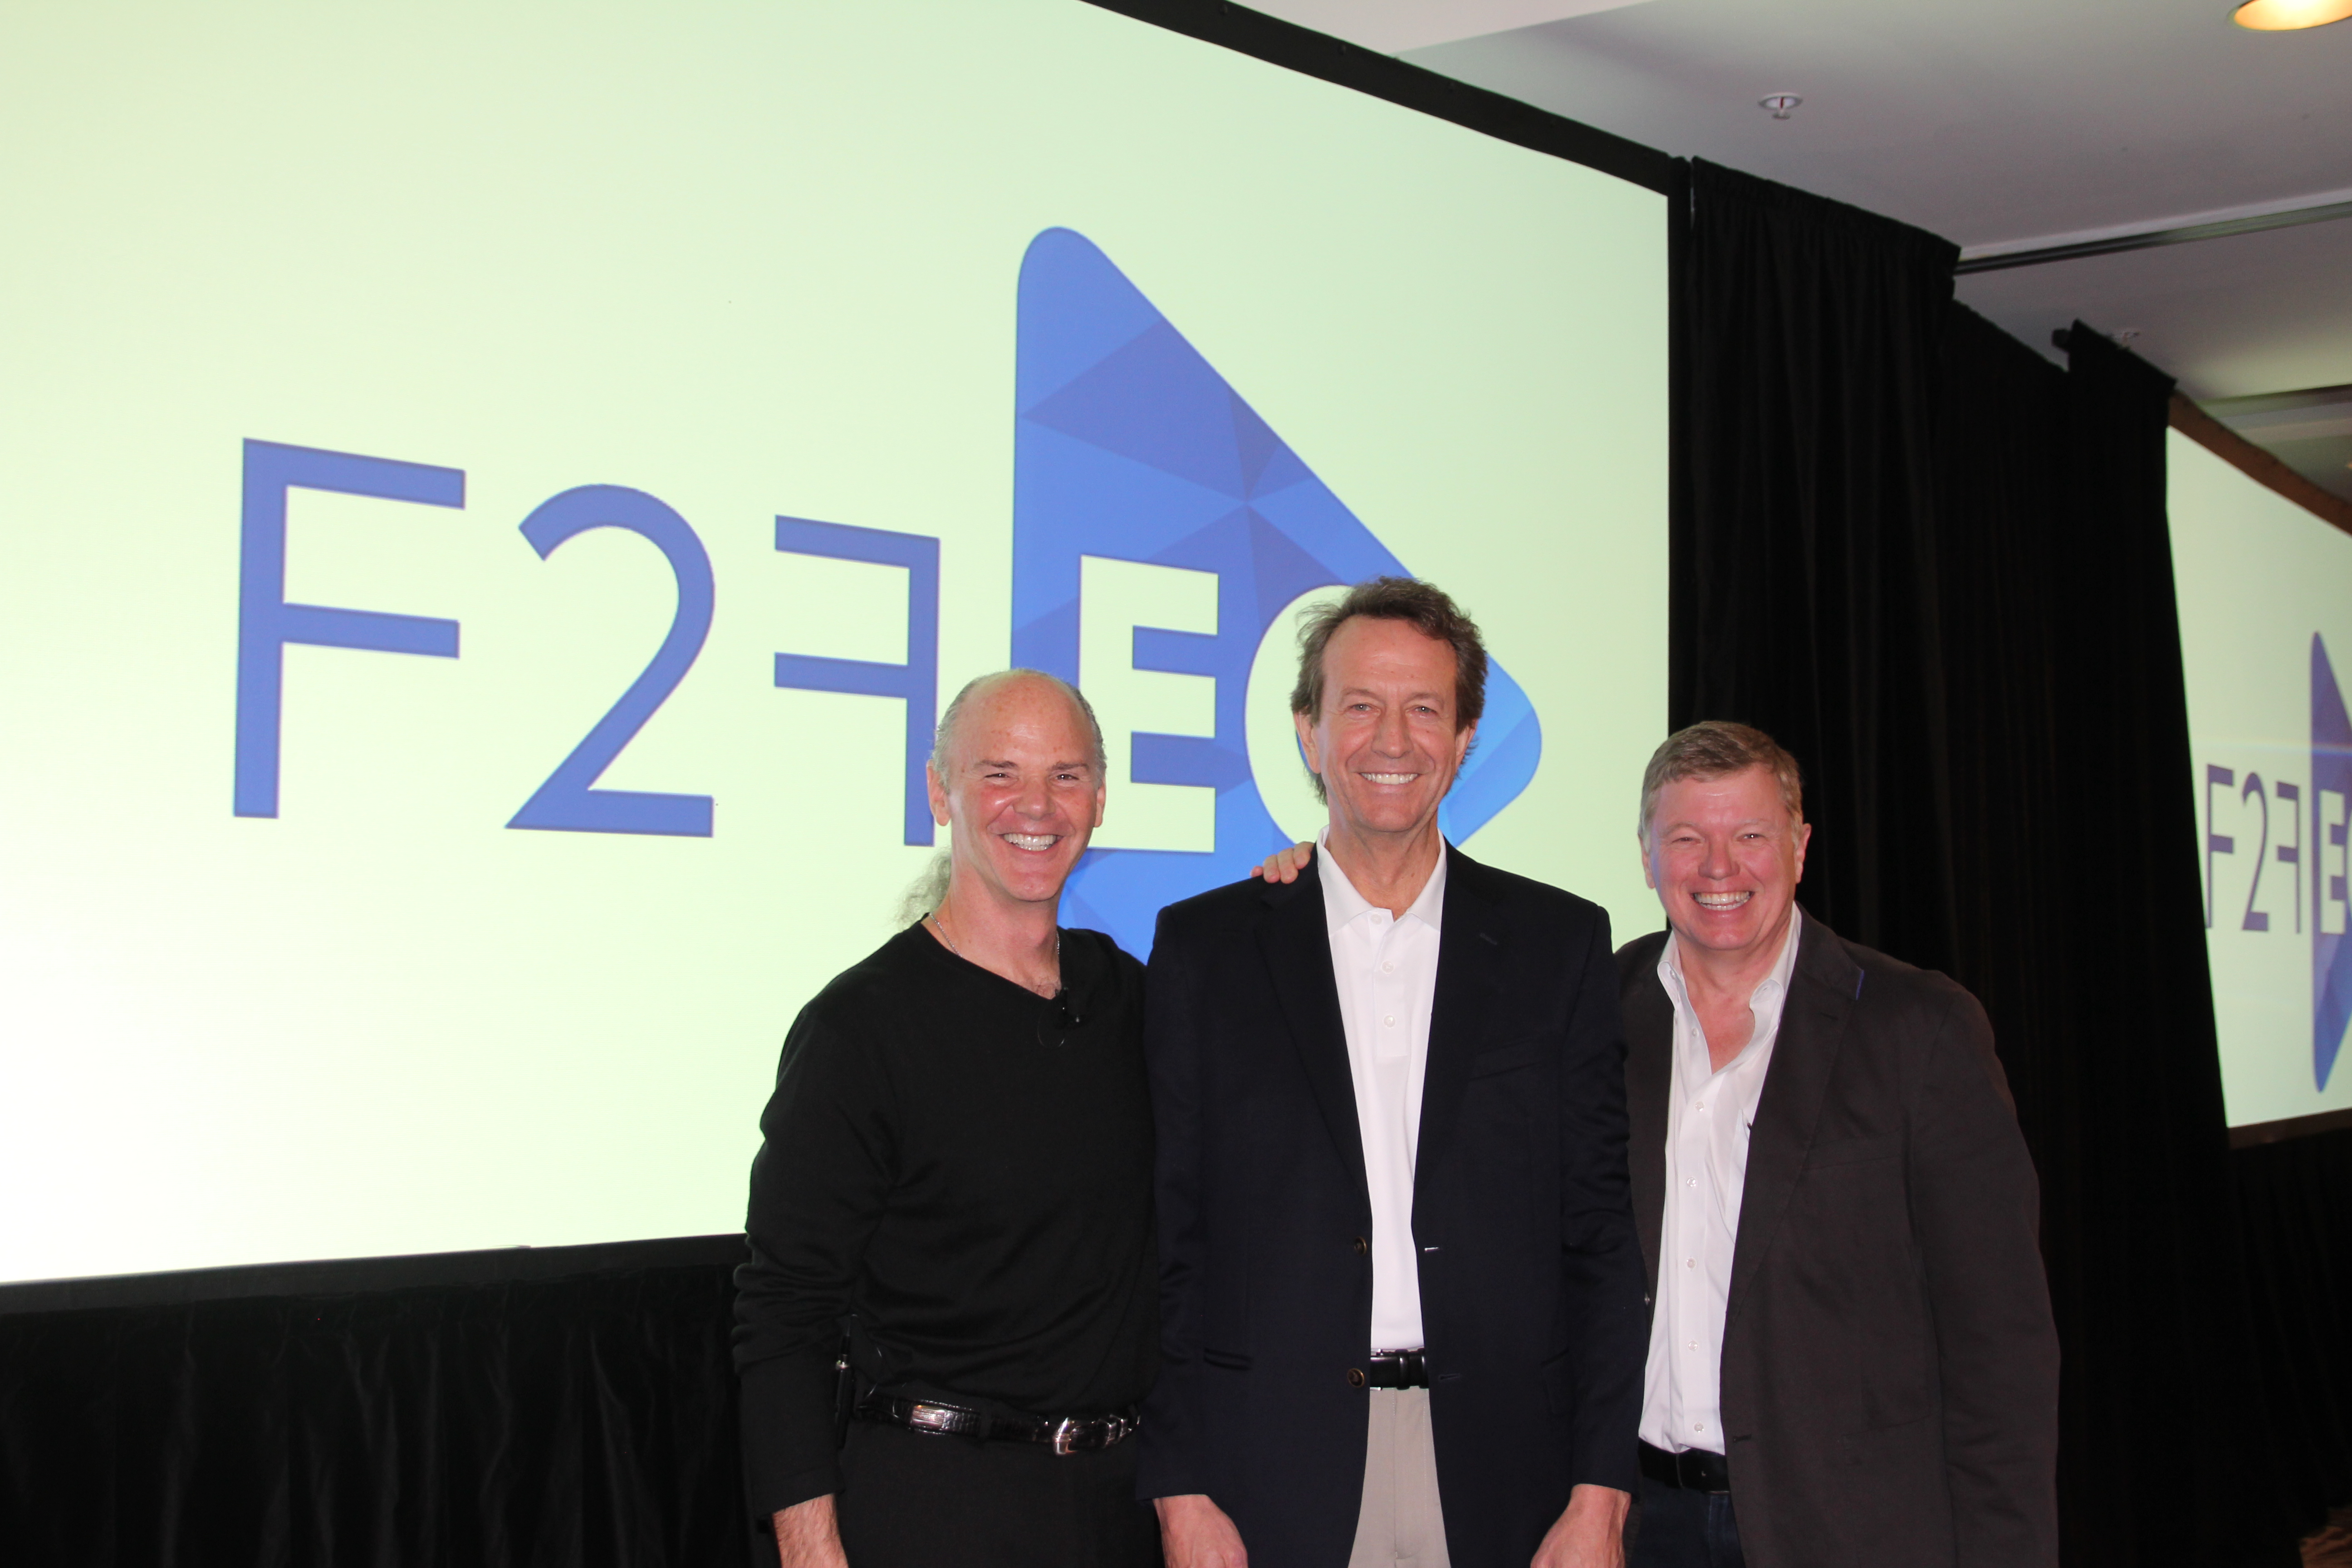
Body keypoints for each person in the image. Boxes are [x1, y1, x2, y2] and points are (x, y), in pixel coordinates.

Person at [1145, 576, 1646, 1568]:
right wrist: (1178, 1487)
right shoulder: (1208, 949)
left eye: (1424, 709)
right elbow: (1168, 1237)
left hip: (1513, 1474)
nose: (1392, 740)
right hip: (1265, 1472)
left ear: (1463, 741)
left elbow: (1599, 1236)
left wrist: (1602, 1492)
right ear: (1309, 732)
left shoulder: (1559, 944)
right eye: (1360, 706)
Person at [732, 669, 1160, 1568]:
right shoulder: (860, 1030)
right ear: (939, 792)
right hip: (933, 1509)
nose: (1036, 806)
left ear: (1100, 799)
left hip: (1119, 1513)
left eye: (1067, 775)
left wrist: (1301, 879)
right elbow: (784, 1312)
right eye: (999, 773)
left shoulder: (1128, 996)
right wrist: (809, 1550)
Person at [1610, 722, 2056, 1568]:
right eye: (1687, 839)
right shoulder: (1600, 1014)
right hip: (1641, 1527)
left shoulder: (1919, 1029)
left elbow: (2000, 1344)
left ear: (1801, 847)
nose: (1719, 868)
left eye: (1750, 836)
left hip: (1850, 1528)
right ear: (1646, 856)